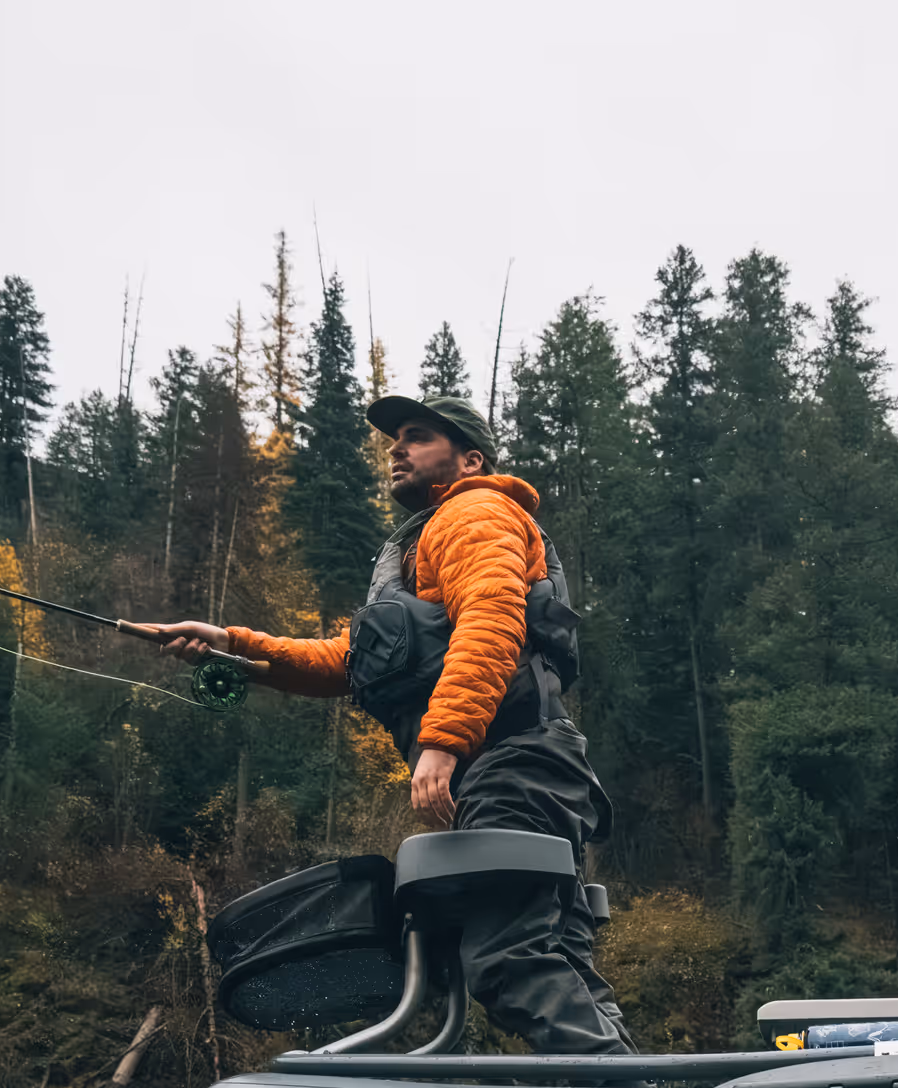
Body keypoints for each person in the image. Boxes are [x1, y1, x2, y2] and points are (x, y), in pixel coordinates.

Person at [129, 392, 631, 1054]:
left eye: (418, 437)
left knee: (510, 959)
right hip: (527, 770)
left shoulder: (476, 512)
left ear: (470, 460)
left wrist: (441, 745)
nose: (397, 448)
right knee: (550, 953)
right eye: (395, 440)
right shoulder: (429, 543)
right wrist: (229, 644)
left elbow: (492, 622)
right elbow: (343, 661)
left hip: (516, 764)